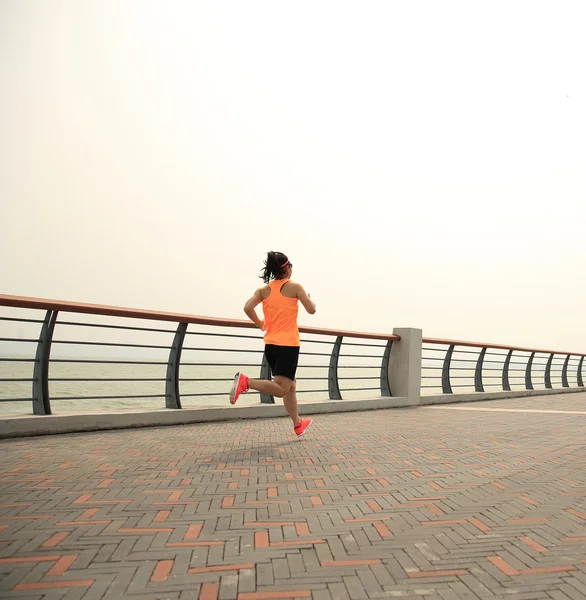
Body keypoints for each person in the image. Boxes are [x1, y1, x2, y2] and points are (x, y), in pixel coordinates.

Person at [229, 251, 317, 437]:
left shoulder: (263, 291)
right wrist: (306, 297)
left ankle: (298, 423)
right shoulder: (295, 287)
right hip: (288, 346)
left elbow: (247, 307)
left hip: (271, 345)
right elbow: (312, 310)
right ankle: (246, 382)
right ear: (287, 268)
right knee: (282, 388)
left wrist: (260, 323)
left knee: (290, 385)